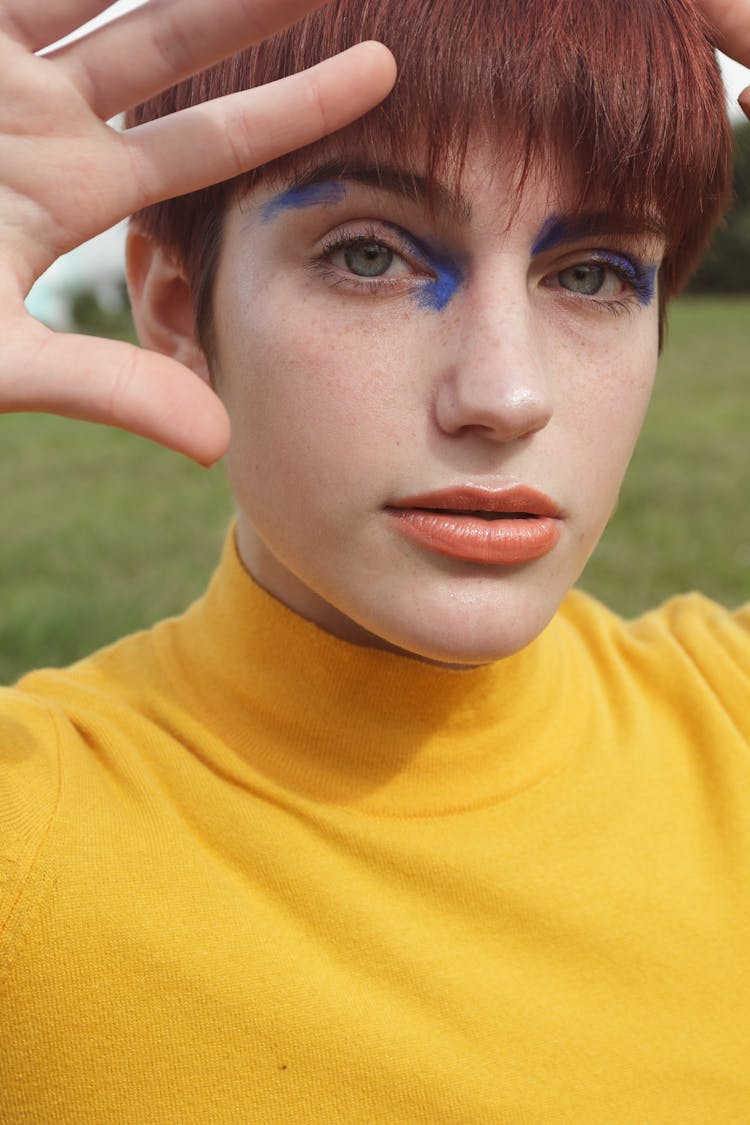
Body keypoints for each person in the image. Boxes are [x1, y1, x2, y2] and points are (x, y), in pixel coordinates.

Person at [1, 0, 750, 1120]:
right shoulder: (32, 833)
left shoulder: (729, 715)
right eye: (369, 255)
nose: (507, 395)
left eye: (594, 275)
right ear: (174, 305)